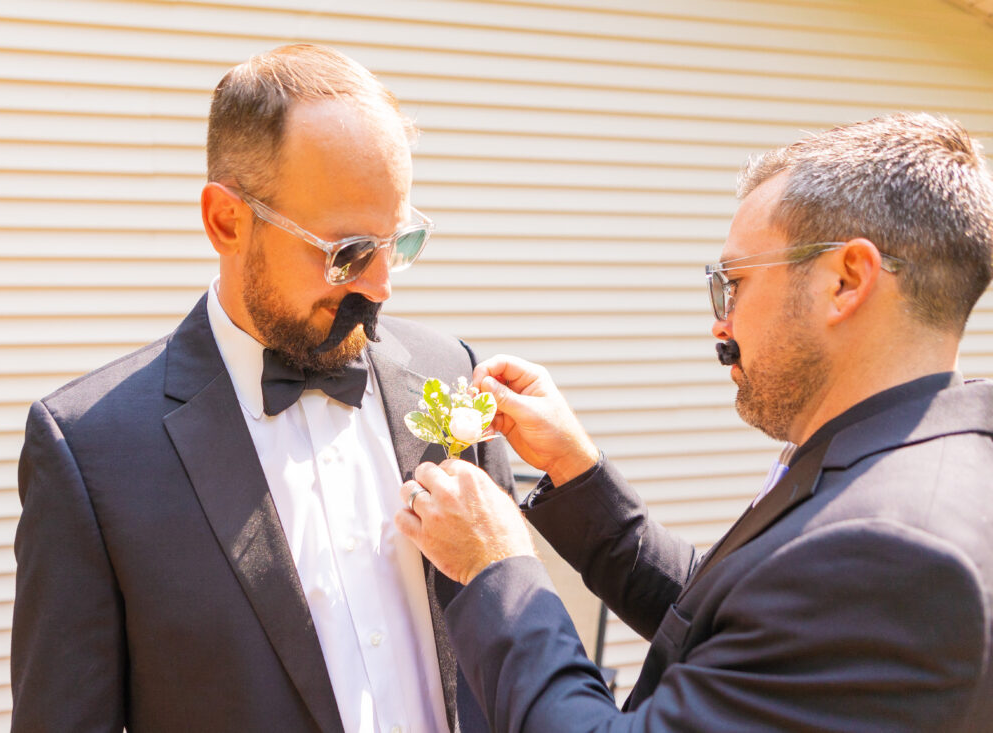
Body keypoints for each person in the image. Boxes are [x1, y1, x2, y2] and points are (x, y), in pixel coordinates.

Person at [395, 112, 993, 731]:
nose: (721, 324)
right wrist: (576, 470)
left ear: (846, 281)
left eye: (733, 282)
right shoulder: (915, 457)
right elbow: (724, 621)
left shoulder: (891, 548)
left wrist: (497, 569)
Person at [12, 44, 512, 733]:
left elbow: (515, 653)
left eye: (398, 241)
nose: (383, 287)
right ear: (226, 220)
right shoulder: (90, 454)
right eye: (348, 253)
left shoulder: (448, 373)